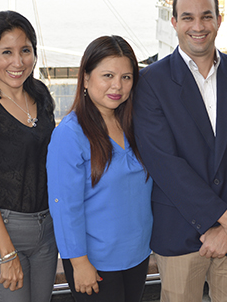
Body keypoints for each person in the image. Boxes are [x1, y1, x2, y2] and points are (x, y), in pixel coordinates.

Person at [133, 0, 227, 301]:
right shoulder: (151, 82)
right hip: (180, 231)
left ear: (219, 20)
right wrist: (224, 218)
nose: (198, 26)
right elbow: (164, 162)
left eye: (206, 16)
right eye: (188, 17)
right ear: (174, 23)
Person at [47, 35, 152, 302]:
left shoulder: (134, 125)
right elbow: (64, 206)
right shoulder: (69, 135)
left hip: (137, 255)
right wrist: (79, 263)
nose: (117, 86)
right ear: (85, 77)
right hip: (95, 263)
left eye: (126, 77)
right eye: (107, 75)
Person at [0, 11, 57, 302]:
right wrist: (7, 252)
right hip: (4, 229)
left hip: (47, 228)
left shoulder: (39, 94)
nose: (18, 62)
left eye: (25, 51)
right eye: (7, 52)